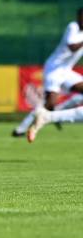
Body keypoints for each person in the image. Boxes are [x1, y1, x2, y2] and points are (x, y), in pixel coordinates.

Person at [13, 8, 83, 142]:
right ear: (79, 17)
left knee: (52, 106)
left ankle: (58, 114)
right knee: (50, 103)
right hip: (54, 68)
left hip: (66, 70)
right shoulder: (73, 27)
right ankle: (21, 128)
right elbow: (72, 47)